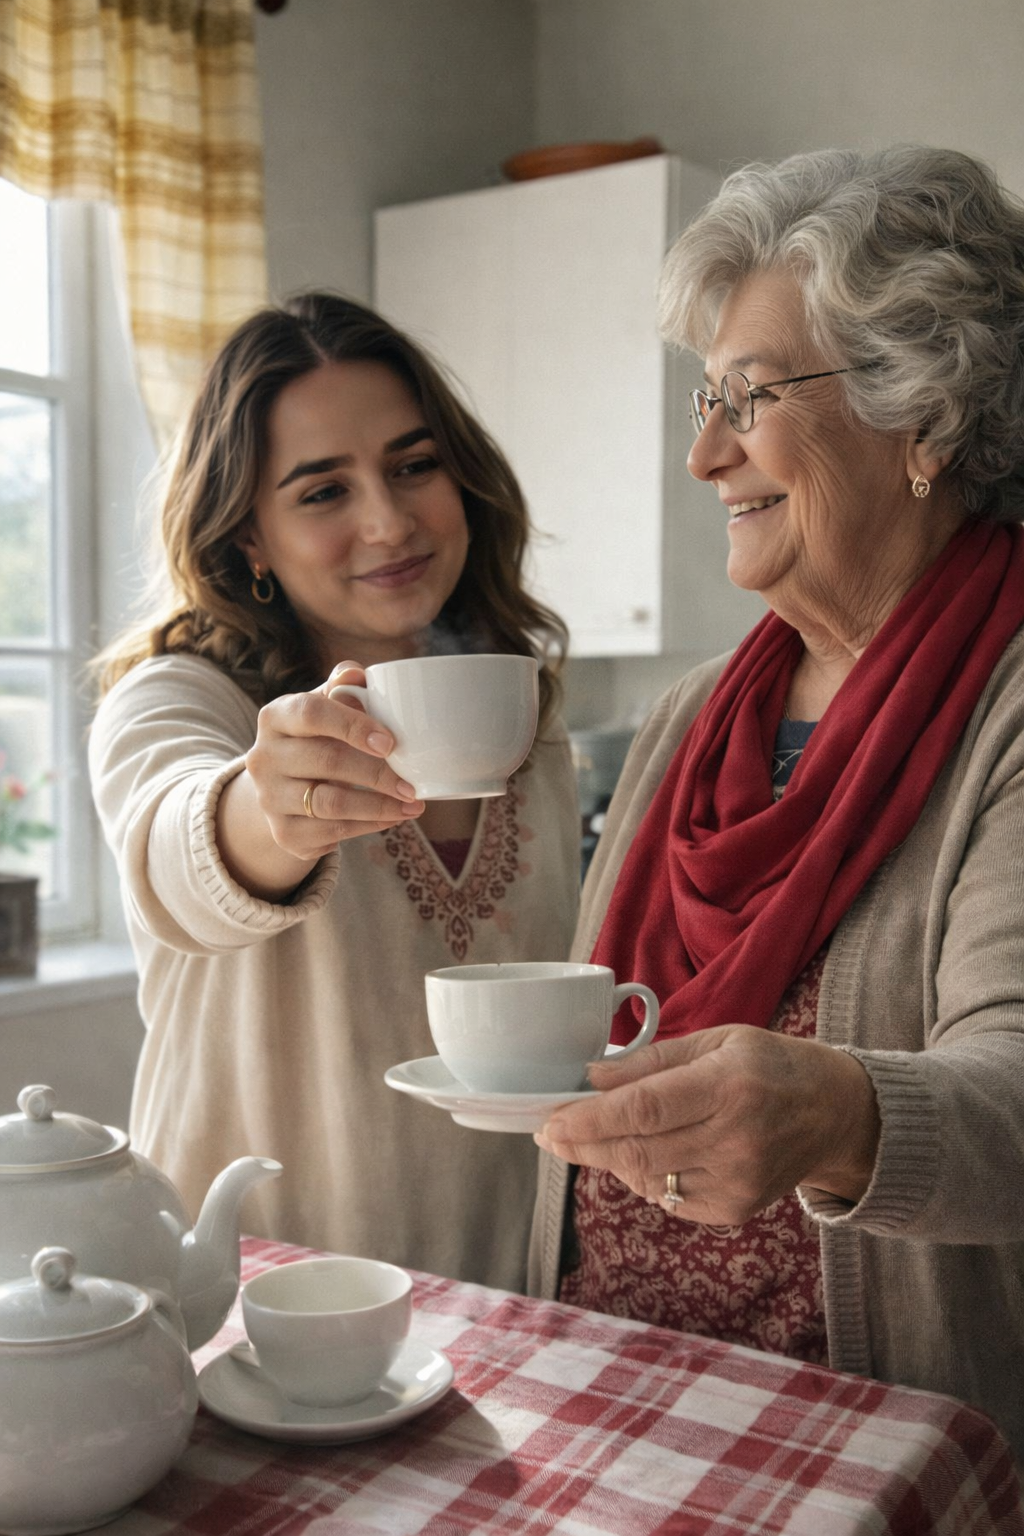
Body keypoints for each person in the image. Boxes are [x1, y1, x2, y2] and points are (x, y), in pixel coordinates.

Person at [528, 145, 1024, 1465]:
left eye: (747, 396)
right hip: (602, 1399)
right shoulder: (696, 717)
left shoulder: (1012, 709)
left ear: (923, 417)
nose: (701, 454)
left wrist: (843, 1114)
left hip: (861, 1450)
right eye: (707, 396)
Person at [89, 293, 579, 1293]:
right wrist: (267, 810)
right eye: (321, 492)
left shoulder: (523, 711)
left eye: (412, 466)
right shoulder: (180, 699)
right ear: (249, 540)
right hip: (253, 1300)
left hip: (505, 1296)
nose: (388, 521)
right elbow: (173, 851)